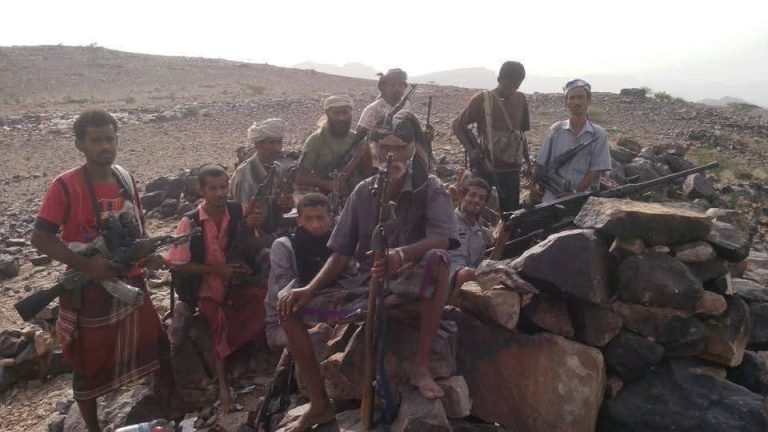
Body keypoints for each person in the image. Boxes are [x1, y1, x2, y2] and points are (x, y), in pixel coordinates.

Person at [277, 111, 457, 431]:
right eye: (384, 147)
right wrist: (309, 289)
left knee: (439, 260)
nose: (391, 156)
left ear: (411, 150)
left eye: (399, 147)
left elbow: (442, 237)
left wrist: (401, 255)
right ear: (372, 150)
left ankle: (420, 365)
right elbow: (341, 252)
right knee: (288, 306)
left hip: (409, 279)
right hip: (365, 282)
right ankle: (319, 405)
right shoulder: (363, 191)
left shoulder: (430, 188)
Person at [30, 109, 172, 432]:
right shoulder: (65, 186)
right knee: (89, 364)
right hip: (90, 288)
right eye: (96, 140)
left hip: (129, 280)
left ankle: (167, 410)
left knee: (155, 345)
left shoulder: (124, 179)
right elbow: (40, 237)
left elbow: (138, 227)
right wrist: (91, 266)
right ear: (80, 144)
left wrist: (148, 253)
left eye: (110, 138)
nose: (105, 146)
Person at [167, 164, 267, 413]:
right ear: (201, 190)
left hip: (235, 277)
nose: (220, 193)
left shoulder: (236, 210)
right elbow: (178, 263)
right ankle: (224, 386)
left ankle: (255, 360)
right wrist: (217, 271)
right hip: (204, 283)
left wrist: (251, 225)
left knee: (264, 300)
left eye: (223, 187)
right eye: (213, 189)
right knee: (217, 321)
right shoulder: (190, 222)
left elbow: (247, 243)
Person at [452, 61, 532, 213]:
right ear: (500, 79)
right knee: (479, 212)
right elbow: (457, 125)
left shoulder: (521, 99)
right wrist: (470, 150)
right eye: (509, 85)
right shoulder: (482, 99)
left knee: (510, 214)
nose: (512, 89)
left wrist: (528, 163)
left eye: (517, 85)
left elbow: (521, 135)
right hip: (486, 169)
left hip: (512, 172)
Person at [265, 193, 334, 350]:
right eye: (308, 219)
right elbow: (288, 296)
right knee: (320, 337)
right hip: (285, 324)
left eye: (320, 218)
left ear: (330, 218)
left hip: (331, 316)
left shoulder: (338, 247)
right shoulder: (284, 246)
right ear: (299, 220)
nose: (315, 225)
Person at [531, 79, 612, 203]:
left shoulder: (598, 134)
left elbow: (595, 171)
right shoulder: (556, 130)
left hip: (583, 200)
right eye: (572, 98)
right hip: (552, 198)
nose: (576, 102)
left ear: (588, 101)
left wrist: (574, 194)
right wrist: (533, 185)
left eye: (580, 97)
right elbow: (540, 163)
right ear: (566, 103)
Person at [229, 118, 294, 238]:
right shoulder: (244, 175)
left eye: (279, 142)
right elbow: (240, 216)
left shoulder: (277, 169)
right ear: (258, 145)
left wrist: (287, 204)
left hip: (272, 230)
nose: (278, 148)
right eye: (272, 143)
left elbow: (281, 207)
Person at [294, 95, 363, 204]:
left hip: (354, 199)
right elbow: (300, 176)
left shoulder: (356, 139)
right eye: (336, 113)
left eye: (345, 112)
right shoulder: (316, 140)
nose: (341, 117)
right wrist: (326, 184)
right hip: (325, 200)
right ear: (327, 113)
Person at [448, 177, 493, 291]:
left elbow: (480, 263)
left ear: (484, 204)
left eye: (481, 198)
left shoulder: (479, 232)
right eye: (472, 195)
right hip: (447, 280)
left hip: (469, 284)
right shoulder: (448, 220)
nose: (476, 200)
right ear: (463, 197)